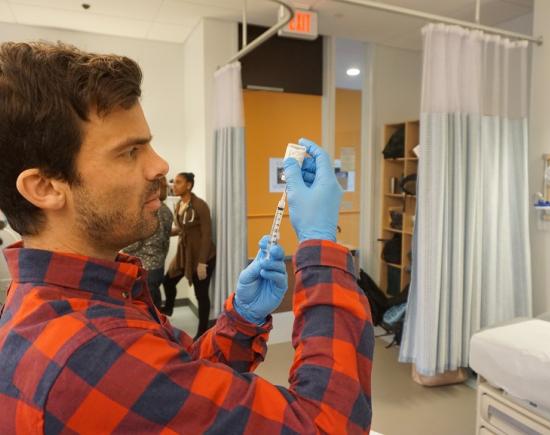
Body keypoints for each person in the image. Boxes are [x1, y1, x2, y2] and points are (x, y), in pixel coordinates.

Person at [0, 41, 373, 433]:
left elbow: (180, 380)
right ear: (44, 187)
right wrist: (321, 245)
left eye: (149, 145)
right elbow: (327, 426)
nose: (161, 165)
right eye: (130, 152)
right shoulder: (91, 355)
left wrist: (242, 320)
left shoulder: (82, 301)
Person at [161, 172, 215, 339]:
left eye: (178, 182)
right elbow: (184, 228)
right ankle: (169, 306)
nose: (174, 185)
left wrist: (202, 263)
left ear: (189, 185)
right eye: (174, 182)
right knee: (168, 280)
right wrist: (164, 233)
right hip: (184, 254)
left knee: (201, 294)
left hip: (201, 255)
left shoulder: (200, 205)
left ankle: (202, 331)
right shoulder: (179, 205)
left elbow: (207, 235)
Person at [123, 176, 173, 309]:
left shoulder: (147, 211)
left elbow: (134, 244)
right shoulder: (166, 210)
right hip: (158, 264)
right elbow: (164, 237)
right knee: (154, 302)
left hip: (146, 267)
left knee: (148, 306)